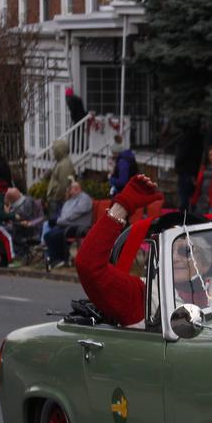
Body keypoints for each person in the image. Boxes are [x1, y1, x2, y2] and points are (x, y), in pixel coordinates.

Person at [75, 175, 164, 326]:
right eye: (171, 250)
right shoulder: (147, 294)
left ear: (205, 264)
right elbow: (88, 264)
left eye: (186, 251)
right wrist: (123, 206)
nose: (176, 257)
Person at [44, 181, 93, 268]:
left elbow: (75, 214)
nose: (74, 190)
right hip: (67, 225)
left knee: (56, 235)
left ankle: (61, 259)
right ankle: (55, 258)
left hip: (80, 227)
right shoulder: (68, 201)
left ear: (80, 189)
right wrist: (59, 221)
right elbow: (64, 215)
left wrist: (59, 221)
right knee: (48, 235)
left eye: (76, 188)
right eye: (72, 188)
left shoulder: (85, 198)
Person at [4, 186, 43, 261]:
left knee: (6, 231)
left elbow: (25, 219)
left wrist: (9, 214)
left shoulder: (27, 203)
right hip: (21, 227)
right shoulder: (19, 202)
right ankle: (12, 253)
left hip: (29, 230)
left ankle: (18, 253)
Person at [46, 139, 75, 220]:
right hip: (56, 199)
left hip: (58, 201)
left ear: (59, 150)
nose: (53, 152)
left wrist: (56, 197)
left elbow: (64, 184)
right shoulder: (61, 162)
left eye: (54, 150)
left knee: (55, 221)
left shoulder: (64, 164)